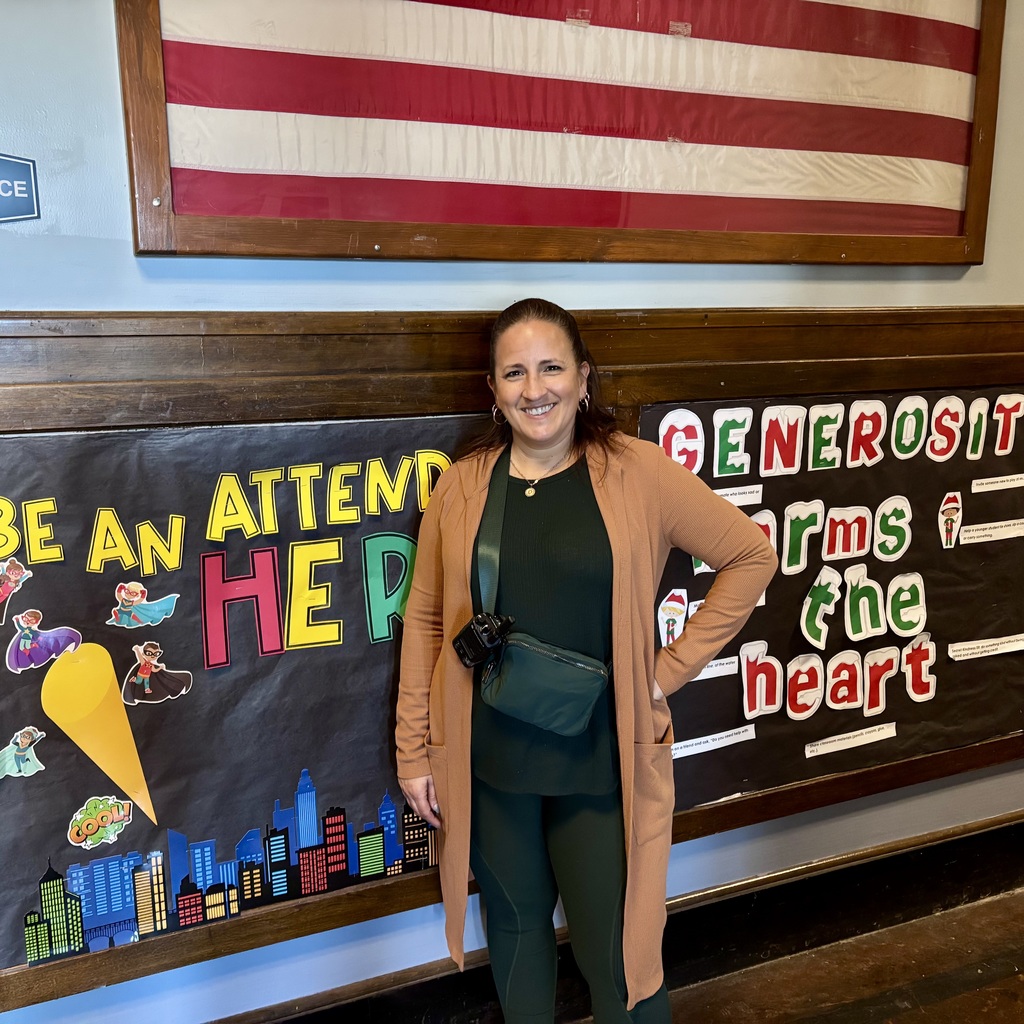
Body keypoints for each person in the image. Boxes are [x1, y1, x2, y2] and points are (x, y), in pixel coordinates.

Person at [396, 298, 777, 1022]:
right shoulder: (463, 486)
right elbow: (424, 620)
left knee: (619, 957)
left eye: (550, 368)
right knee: (513, 935)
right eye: (514, 372)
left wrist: (663, 673)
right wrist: (413, 750)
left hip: (601, 762)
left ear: (583, 377)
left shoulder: (638, 473)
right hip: (490, 763)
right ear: (492, 388)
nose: (533, 389)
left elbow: (751, 556)